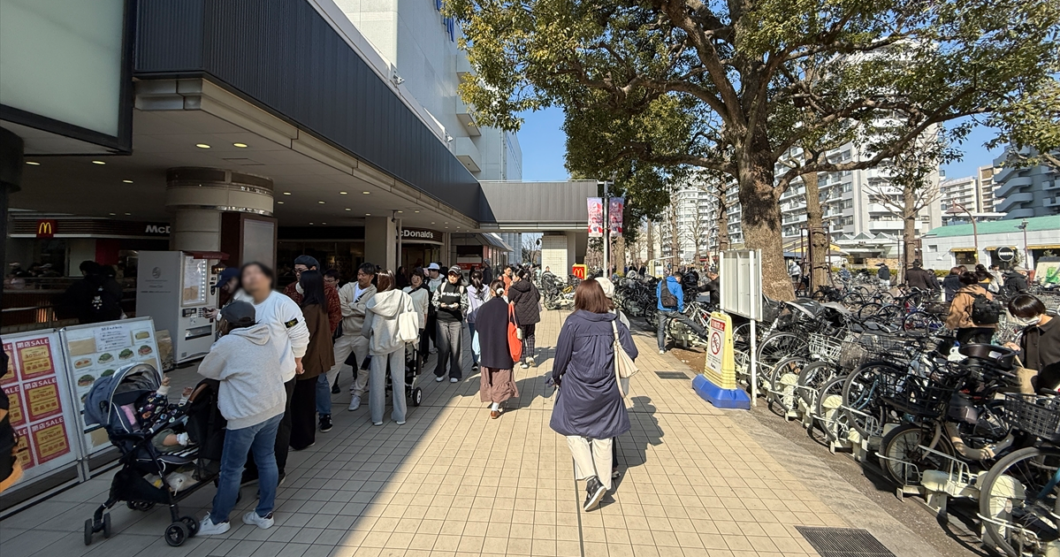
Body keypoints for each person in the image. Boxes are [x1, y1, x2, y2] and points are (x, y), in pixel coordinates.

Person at [196, 301, 288, 535]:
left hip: (246, 413)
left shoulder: (228, 343)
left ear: (227, 321)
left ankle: (219, 520)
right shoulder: (265, 335)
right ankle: (264, 513)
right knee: (266, 458)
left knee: (232, 468)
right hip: (274, 406)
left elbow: (207, 370)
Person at [550, 279, 638, 512]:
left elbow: (561, 356)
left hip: (577, 389)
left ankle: (592, 480)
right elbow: (631, 351)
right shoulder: (614, 323)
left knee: (573, 432)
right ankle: (605, 485)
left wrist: (556, 376)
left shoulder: (573, 322)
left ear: (580, 298)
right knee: (604, 436)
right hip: (607, 390)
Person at [238, 262, 310, 485]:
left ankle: (276, 469)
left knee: (278, 423)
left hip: (279, 374)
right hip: (246, 376)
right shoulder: (240, 300)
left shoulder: (282, 304)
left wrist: (297, 359)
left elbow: (299, 334)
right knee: (248, 423)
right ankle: (252, 468)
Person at [362, 270, 415, 426]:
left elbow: (366, 327)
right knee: (398, 378)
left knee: (377, 381)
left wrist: (368, 335)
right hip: (398, 341)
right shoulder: (403, 296)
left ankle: (377, 417)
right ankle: (400, 416)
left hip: (378, 343)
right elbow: (411, 315)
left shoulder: (373, 300)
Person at [289, 271, 334, 450]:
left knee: (302, 402)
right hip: (317, 358)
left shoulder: (308, 309)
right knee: (307, 399)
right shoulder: (319, 305)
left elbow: (299, 334)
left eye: (301, 281)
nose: (298, 284)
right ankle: (306, 435)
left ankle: (303, 438)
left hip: (307, 360)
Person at [334, 263, 377, 413]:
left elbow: (369, 310)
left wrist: (350, 306)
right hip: (344, 334)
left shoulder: (374, 292)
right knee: (333, 366)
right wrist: (357, 308)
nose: (360, 277)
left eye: (364, 275)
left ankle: (357, 394)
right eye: (359, 274)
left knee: (362, 368)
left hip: (362, 335)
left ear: (371, 276)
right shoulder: (348, 287)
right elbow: (339, 306)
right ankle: (322, 396)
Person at [1003, 295, 1060, 392]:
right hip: (1037, 385)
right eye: (1021, 317)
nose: (1025, 319)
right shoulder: (1029, 331)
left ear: (1038, 310)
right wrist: (1016, 350)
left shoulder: (1057, 326)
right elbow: (1026, 358)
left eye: (1027, 316)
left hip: (1056, 384)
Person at [283, 255, 342, 333]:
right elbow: (285, 315)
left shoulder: (328, 290)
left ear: (313, 269)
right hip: (294, 334)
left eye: (301, 271)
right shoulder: (290, 289)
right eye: (295, 271)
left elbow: (335, 315)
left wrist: (325, 333)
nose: (297, 274)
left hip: (320, 334)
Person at [433, 266, 469, 382]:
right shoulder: (442, 286)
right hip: (441, 320)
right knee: (443, 347)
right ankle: (440, 371)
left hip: (456, 321)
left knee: (456, 348)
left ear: (458, 276)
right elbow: (434, 300)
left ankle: (455, 374)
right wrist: (440, 305)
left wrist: (459, 306)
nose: (452, 277)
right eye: (450, 275)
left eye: (454, 275)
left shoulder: (462, 289)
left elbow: (465, 304)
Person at [656, 271, 706, 354]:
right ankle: (703, 332)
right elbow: (680, 299)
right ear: (678, 278)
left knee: (661, 329)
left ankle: (661, 348)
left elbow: (658, 295)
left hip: (661, 309)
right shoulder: (677, 285)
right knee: (687, 321)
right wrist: (681, 310)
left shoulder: (661, 282)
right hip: (672, 310)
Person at [945, 271, 997, 345]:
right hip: (988, 324)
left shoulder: (962, 293)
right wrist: (995, 326)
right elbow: (992, 309)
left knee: (960, 345)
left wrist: (950, 325)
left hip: (969, 324)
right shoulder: (986, 293)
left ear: (962, 282)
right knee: (983, 349)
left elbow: (956, 310)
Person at [507, 268, 542, 368]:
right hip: (532, 315)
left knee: (521, 337)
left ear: (518, 277)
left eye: (513, 276)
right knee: (530, 335)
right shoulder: (531, 285)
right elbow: (538, 296)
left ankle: (523, 360)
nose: (512, 277)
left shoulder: (513, 288)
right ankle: (531, 356)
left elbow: (510, 300)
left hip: (520, 315)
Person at [403, 269, 431, 368]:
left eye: (418, 277)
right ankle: (407, 362)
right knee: (407, 344)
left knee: (418, 344)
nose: (415, 279)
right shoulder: (405, 290)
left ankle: (418, 363)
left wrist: (424, 322)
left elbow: (425, 308)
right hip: (406, 322)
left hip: (418, 321)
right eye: (413, 277)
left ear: (422, 279)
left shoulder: (424, 291)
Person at [466, 270, 489, 369]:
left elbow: (467, 304)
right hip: (484, 318)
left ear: (471, 278)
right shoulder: (486, 288)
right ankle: (484, 359)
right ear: (482, 278)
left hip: (472, 317)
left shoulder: (467, 289)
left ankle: (475, 362)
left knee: (473, 339)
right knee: (484, 339)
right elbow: (488, 302)